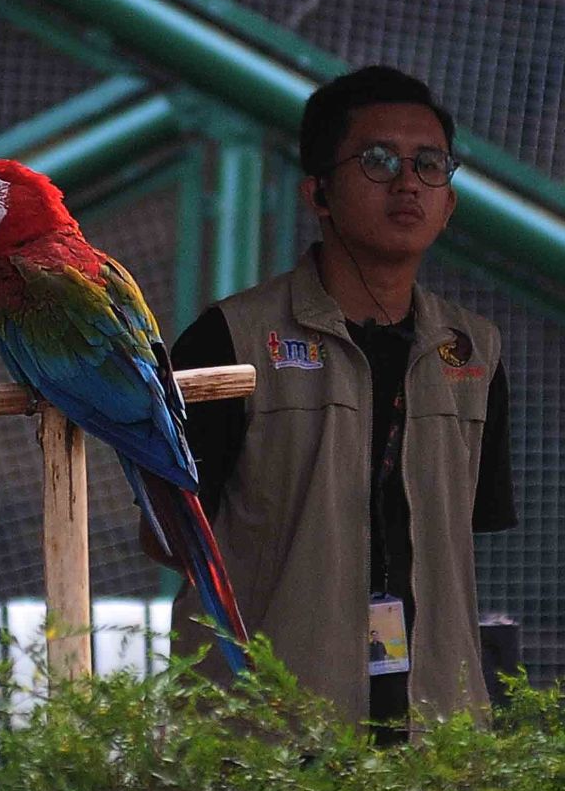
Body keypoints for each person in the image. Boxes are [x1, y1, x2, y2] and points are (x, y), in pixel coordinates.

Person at [144, 66, 516, 739]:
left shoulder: (475, 350)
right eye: (378, 160)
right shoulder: (233, 338)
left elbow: (461, 538)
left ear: (450, 202)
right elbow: (167, 532)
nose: (407, 182)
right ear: (318, 192)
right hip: (264, 745)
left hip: (435, 743)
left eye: (430, 164)